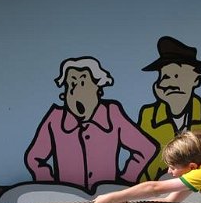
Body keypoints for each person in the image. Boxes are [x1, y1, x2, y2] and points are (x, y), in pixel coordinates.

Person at [25, 56, 158, 191]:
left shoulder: (112, 114)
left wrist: (124, 182)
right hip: (70, 198)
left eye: (83, 82)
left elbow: (145, 148)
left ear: (97, 86)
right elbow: (34, 158)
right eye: (72, 83)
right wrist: (53, 188)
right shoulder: (55, 119)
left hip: (107, 196)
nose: (76, 90)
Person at [137, 36, 201, 181]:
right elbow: (144, 158)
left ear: (196, 79)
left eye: (177, 76)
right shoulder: (149, 116)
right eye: (165, 77)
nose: (170, 84)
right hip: (165, 185)